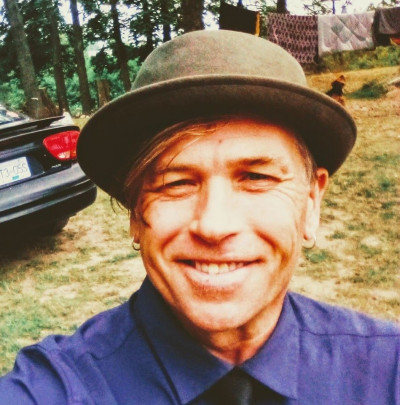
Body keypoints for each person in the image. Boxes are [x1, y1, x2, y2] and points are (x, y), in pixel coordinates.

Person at [0, 30, 399, 405]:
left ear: (311, 202)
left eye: (256, 177)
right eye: (176, 183)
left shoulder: (386, 371)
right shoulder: (56, 388)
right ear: (136, 214)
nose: (214, 225)